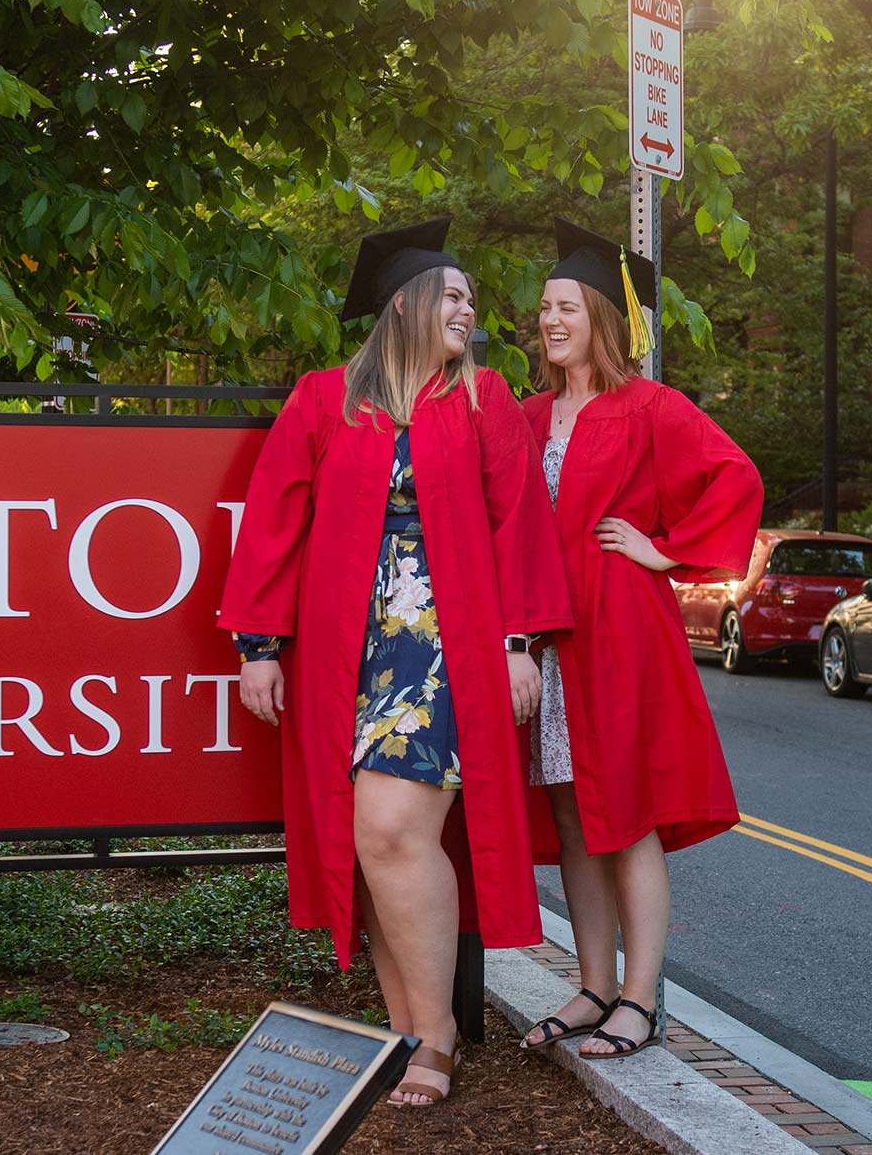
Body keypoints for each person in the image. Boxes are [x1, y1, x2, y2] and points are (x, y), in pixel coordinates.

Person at [218, 217, 571, 1107]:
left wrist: (519, 642)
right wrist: (259, 645)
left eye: (472, 300)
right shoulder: (324, 400)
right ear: (407, 306)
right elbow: (273, 525)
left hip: (447, 645)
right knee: (366, 842)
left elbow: (518, 522)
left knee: (388, 829)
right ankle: (407, 1026)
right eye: (453, 295)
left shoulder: (483, 398)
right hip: (348, 650)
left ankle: (439, 1033)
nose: (469, 309)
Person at [516, 219, 763, 1059]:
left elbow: (737, 475)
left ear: (598, 315)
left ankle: (640, 996)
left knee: (627, 817)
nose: (549, 321)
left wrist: (667, 551)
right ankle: (591, 984)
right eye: (542, 309)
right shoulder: (525, 415)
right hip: (547, 639)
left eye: (564, 308)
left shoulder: (648, 406)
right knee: (573, 813)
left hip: (618, 627)